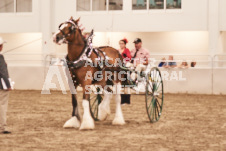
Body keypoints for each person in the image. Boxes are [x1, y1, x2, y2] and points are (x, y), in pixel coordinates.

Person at [0, 37, 11, 134]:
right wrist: (8, 85)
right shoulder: (1, 58)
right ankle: (2, 127)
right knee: (2, 106)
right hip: (1, 86)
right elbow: (3, 73)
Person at [118, 38, 131, 105]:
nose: (121, 45)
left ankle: (126, 100)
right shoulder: (118, 50)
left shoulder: (126, 50)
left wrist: (124, 58)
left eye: (122, 43)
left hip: (125, 64)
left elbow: (129, 58)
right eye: (120, 43)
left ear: (125, 44)